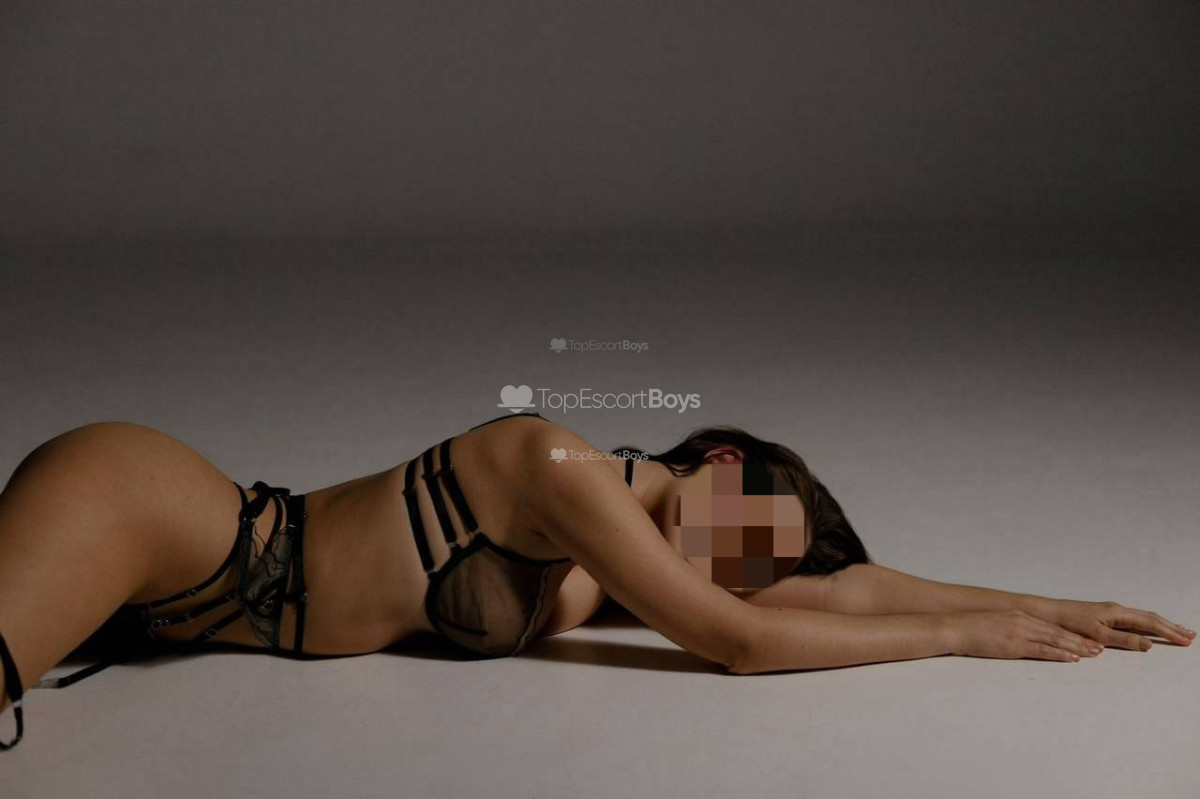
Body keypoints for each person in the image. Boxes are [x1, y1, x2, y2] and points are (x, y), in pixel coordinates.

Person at [1, 413, 1193, 751]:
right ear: (717, 466)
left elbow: (844, 591)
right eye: (757, 538)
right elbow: (738, 640)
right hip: (148, 515)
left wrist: (1036, 607)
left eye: (765, 563)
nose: (751, 574)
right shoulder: (559, 468)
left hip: (177, 607)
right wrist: (957, 639)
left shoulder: (616, 567)